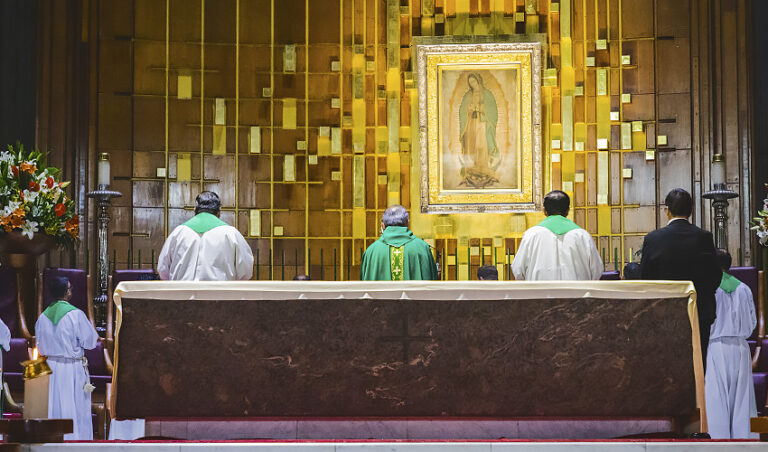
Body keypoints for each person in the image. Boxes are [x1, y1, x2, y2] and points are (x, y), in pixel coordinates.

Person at [640, 188, 721, 366]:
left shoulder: (653, 239)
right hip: (698, 314)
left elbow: (645, 278)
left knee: (666, 367)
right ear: (691, 211)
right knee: (697, 366)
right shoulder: (704, 237)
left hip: (663, 315)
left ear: (666, 210)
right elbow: (715, 276)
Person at [35, 276, 98, 440]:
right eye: (69, 288)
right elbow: (91, 342)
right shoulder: (76, 315)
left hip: (50, 368)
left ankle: (52, 440)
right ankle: (75, 440)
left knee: (54, 405)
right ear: (67, 292)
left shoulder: (42, 317)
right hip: (72, 368)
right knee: (74, 406)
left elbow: (39, 347)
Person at [705, 249, 757, 439]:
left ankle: (718, 441)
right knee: (742, 399)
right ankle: (744, 441)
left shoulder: (709, 288)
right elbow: (752, 323)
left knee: (717, 398)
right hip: (741, 348)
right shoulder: (743, 288)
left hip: (715, 346)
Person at [158, 191, 254, 281]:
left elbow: (163, 270)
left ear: (194, 210)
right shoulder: (231, 234)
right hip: (219, 296)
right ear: (219, 211)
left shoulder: (178, 233)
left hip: (182, 295)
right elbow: (246, 271)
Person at [512, 190, 603, 281]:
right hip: (575, 294)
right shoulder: (582, 236)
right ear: (567, 210)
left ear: (544, 211)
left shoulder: (531, 235)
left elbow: (518, 271)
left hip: (540, 294)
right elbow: (596, 271)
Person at [361, 205, 437, 281]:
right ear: (408, 222)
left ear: (383, 225)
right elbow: (432, 283)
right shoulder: (422, 248)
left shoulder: (371, 251)